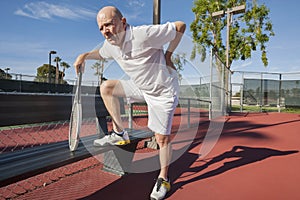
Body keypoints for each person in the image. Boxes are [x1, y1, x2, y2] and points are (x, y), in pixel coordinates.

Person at [74, 6, 186, 200]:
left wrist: (168, 56)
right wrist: (84, 56)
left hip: (163, 92)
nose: (105, 31)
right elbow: (101, 53)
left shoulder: (143, 34)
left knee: (162, 139)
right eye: (101, 28)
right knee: (107, 87)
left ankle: (163, 178)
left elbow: (180, 26)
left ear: (123, 22)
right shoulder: (110, 44)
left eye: (108, 24)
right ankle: (119, 133)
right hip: (140, 87)